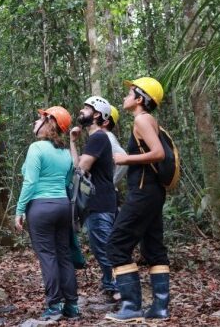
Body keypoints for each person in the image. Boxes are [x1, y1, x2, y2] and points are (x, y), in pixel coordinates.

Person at [105, 77, 170, 323]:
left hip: (143, 193)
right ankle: (160, 308)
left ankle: (131, 306)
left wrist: (125, 159)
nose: (125, 97)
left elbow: (158, 153)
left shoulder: (142, 119)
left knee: (117, 244)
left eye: (130, 92)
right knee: (154, 248)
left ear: (140, 99)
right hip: (153, 192)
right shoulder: (150, 120)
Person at [14, 106, 80, 321]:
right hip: (62, 206)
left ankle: (54, 306)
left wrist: (20, 209)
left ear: (48, 123)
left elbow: (30, 181)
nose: (35, 122)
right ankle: (72, 305)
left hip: (41, 208)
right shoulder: (64, 152)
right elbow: (69, 179)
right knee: (63, 255)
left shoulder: (36, 148)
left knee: (48, 257)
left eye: (38, 119)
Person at [69, 96, 118, 299]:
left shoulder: (98, 137)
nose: (82, 111)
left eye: (86, 108)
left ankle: (120, 288)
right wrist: (72, 142)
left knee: (104, 248)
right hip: (98, 203)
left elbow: (80, 168)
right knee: (101, 248)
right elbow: (78, 165)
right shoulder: (94, 139)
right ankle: (110, 284)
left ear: (97, 114)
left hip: (101, 202)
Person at [102, 106, 128, 200]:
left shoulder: (107, 137)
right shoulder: (102, 137)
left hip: (107, 194)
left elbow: (124, 161)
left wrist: (112, 184)